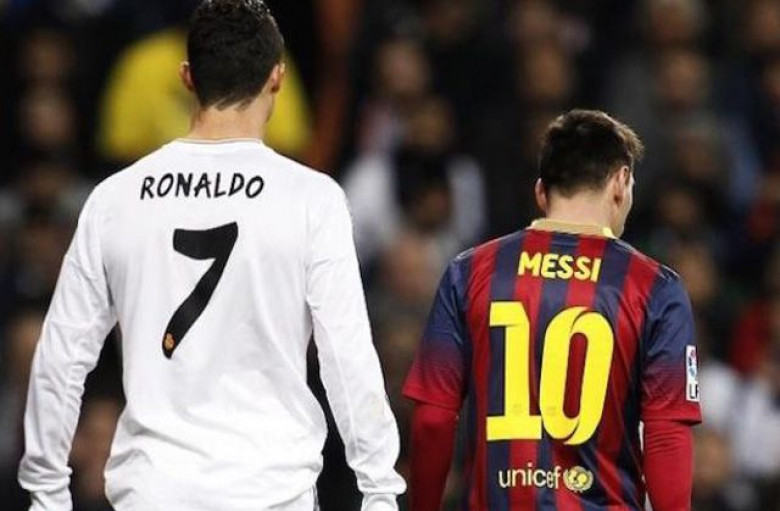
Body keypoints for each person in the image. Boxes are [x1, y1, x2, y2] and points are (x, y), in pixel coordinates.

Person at [17, 1, 405, 511]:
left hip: (154, 492)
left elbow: (61, 357)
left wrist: (46, 493)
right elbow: (347, 355)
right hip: (271, 492)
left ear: (187, 77)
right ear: (277, 77)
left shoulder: (116, 199)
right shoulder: (311, 199)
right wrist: (379, 491)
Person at [403, 109, 702, 510]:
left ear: (541, 192)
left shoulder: (470, 272)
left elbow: (434, 419)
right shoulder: (654, 288)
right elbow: (666, 435)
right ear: (620, 182)